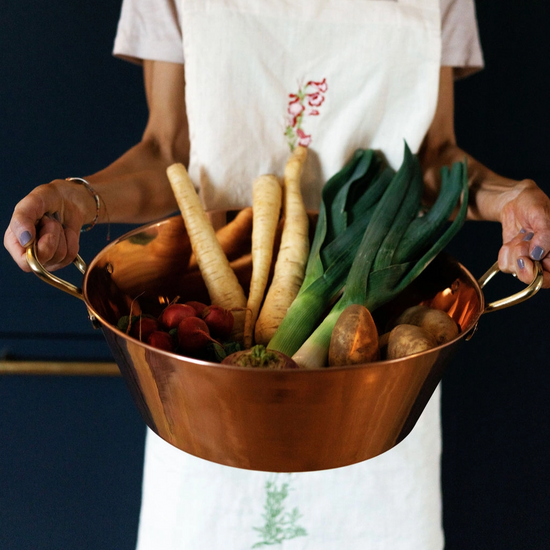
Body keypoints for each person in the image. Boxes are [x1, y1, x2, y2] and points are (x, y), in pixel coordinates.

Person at [4, 0, 550, 548]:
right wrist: (79, 198)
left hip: (376, 369)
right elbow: (166, 151)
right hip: (209, 374)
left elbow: (431, 159)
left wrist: (509, 198)